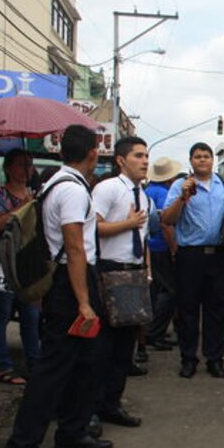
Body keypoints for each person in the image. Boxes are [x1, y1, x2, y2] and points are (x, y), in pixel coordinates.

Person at [2, 125, 111, 448]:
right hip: (70, 283)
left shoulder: (55, 183)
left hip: (71, 280)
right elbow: (75, 248)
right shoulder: (72, 190)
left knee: (86, 360)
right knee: (54, 368)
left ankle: (73, 430)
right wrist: (84, 302)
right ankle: (22, 447)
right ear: (93, 153)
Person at [161, 142, 224, 379]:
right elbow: (167, 219)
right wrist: (183, 197)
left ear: (213, 160)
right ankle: (188, 358)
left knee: (217, 309)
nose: (202, 160)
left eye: (206, 156)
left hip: (219, 255)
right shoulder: (180, 185)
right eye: (197, 156)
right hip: (190, 256)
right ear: (191, 161)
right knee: (188, 310)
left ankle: (214, 359)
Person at [91, 136, 152, 428]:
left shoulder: (144, 195)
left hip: (134, 272)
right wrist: (127, 224)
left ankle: (111, 404)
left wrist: (146, 270)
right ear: (120, 160)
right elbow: (91, 227)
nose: (144, 161)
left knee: (124, 347)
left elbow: (143, 237)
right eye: (138, 156)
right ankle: (90, 410)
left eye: (146, 156)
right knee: (102, 347)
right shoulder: (108, 188)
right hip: (109, 270)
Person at [0, 149, 40, 385]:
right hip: (4, 265)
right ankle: (2, 365)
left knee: (31, 314)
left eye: (30, 165)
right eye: (22, 165)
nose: (27, 170)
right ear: (9, 168)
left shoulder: (36, 195)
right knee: (0, 314)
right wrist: (20, 208)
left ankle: (35, 362)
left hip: (27, 264)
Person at [144, 158, 181, 353]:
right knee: (170, 291)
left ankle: (152, 330)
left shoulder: (148, 190)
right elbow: (166, 224)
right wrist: (174, 248)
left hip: (150, 246)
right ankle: (154, 332)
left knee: (156, 291)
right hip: (161, 246)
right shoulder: (164, 194)